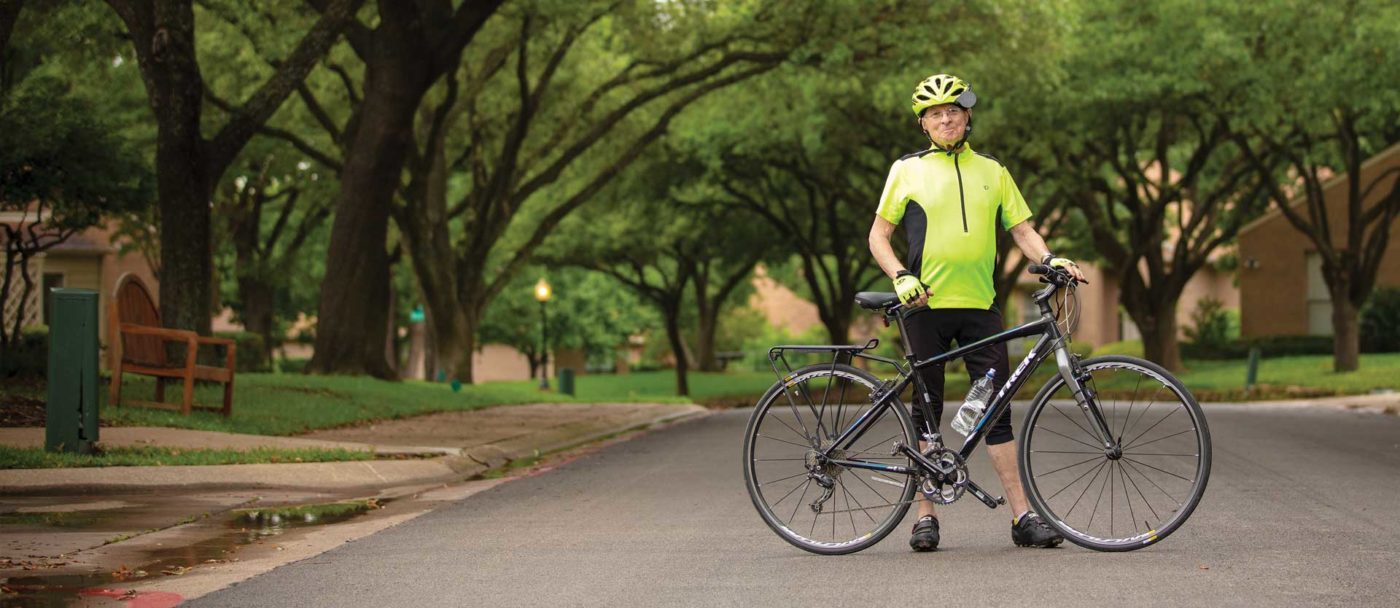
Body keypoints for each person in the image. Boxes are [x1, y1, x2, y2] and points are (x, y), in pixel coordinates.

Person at [867, 73, 1086, 552]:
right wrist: (901, 275)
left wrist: (1049, 259)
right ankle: (924, 518)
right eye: (934, 113)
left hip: (980, 308)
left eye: (953, 111)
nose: (945, 119)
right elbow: (878, 236)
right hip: (924, 306)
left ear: (967, 116)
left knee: (995, 409)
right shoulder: (907, 170)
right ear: (923, 124)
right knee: (927, 411)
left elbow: (1023, 229)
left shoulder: (993, 171)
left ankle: (1022, 517)